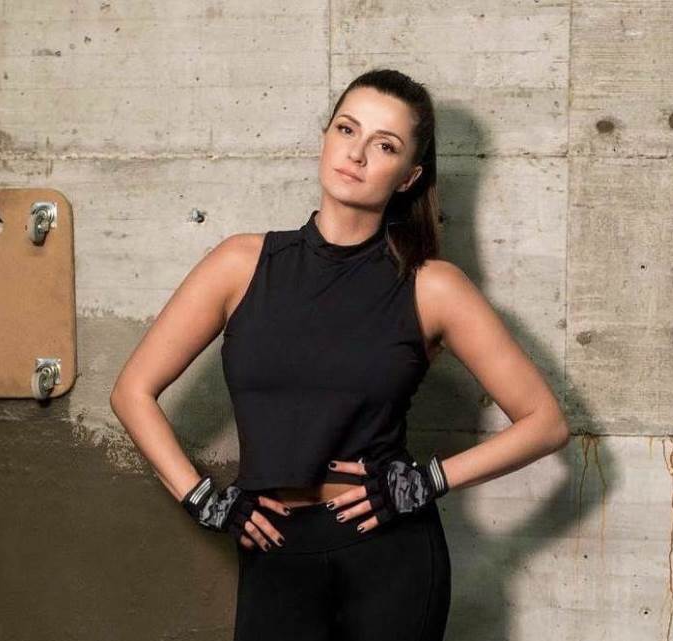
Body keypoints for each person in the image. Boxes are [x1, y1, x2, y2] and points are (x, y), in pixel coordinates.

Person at [110, 68, 571, 641]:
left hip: (390, 555)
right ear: (326, 138)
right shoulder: (239, 264)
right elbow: (132, 392)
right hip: (275, 552)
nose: (357, 153)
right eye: (347, 130)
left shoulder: (433, 286)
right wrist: (205, 501)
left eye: (385, 145)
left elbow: (545, 424)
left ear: (409, 177)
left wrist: (424, 482)